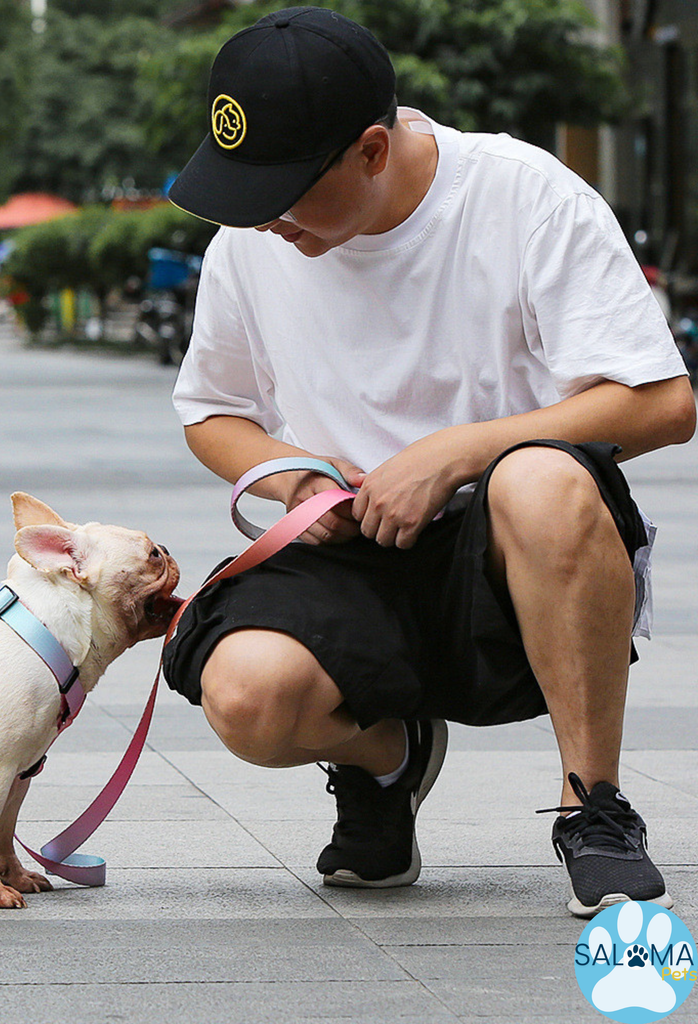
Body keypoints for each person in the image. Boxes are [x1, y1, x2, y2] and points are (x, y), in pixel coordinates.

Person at [161, 6, 695, 918]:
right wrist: (294, 475)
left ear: (372, 150)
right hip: (346, 544)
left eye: (287, 189)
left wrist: (453, 454)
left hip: (508, 550)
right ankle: (387, 759)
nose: (267, 220)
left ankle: (593, 808)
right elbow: (212, 411)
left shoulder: (524, 196)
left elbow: (663, 402)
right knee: (247, 695)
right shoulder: (252, 237)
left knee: (540, 472)